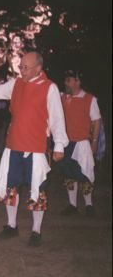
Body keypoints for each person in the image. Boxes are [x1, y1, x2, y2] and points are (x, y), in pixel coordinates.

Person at [0, 52, 68, 247]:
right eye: (20, 66)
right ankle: (11, 226)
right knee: (10, 187)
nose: (21, 70)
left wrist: (59, 145)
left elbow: (57, 118)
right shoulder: (16, 84)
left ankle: (36, 231)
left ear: (39, 68)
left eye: (25, 67)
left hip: (36, 149)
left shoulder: (50, 88)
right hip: (13, 145)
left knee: (37, 189)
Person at [59, 70, 101, 217]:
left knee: (86, 174)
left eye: (69, 80)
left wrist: (94, 142)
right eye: (66, 80)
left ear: (78, 81)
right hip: (65, 143)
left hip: (82, 143)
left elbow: (96, 121)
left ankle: (89, 205)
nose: (66, 83)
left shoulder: (90, 99)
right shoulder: (61, 97)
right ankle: (72, 205)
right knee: (69, 174)